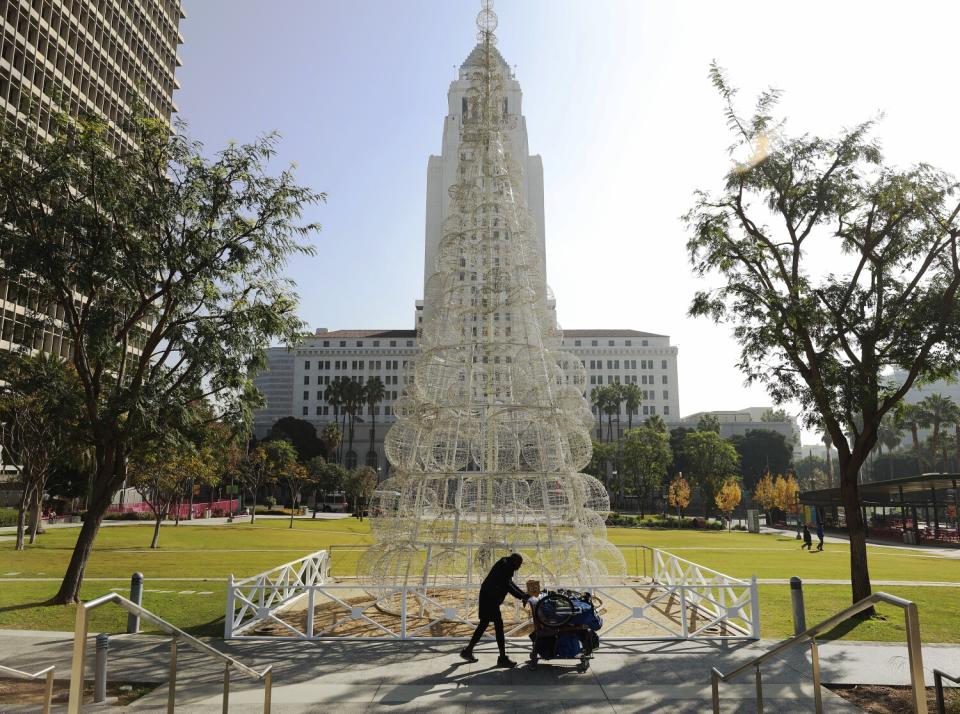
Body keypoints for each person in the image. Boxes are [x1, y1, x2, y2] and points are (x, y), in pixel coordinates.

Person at [460, 553, 536, 668]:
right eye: (519, 564)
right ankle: (502, 658)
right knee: (498, 626)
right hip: (490, 599)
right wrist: (523, 596)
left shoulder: (506, 564)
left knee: (484, 624)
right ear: (514, 561)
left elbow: (509, 583)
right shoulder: (506, 567)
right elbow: (508, 586)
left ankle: (468, 651)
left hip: (488, 597)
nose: (519, 567)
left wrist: (524, 595)